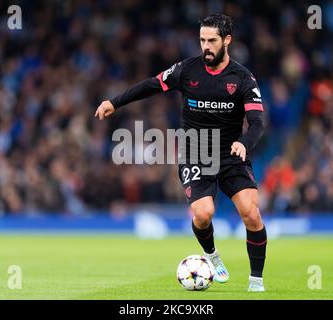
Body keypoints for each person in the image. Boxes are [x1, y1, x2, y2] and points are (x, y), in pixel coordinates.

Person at [95, 13, 267, 292]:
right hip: (196, 151)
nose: (206, 46)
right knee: (203, 214)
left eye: (212, 40)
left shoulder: (243, 78)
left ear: (227, 41)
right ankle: (211, 256)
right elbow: (152, 84)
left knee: (251, 212)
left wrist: (245, 142)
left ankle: (256, 281)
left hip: (231, 152)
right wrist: (114, 103)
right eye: (202, 40)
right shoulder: (187, 70)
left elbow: (258, 122)